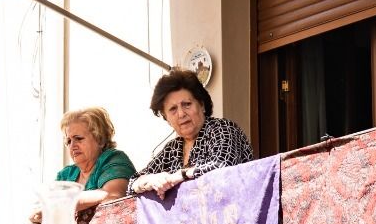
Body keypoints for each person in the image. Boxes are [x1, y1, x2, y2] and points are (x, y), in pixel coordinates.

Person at [129, 68, 253, 197]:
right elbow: (132, 183)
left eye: (187, 104)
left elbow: (222, 167)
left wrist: (180, 174)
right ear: (167, 119)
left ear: (202, 105)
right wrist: (150, 180)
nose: (181, 114)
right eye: (173, 109)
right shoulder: (172, 149)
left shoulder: (223, 129)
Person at [51, 107, 135, 214]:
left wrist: (61, 202)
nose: (72, 146)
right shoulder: (65, 175)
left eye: (79, 138)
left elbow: (113, 196)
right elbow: (39, 210)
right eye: (68, 141)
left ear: (100, 139)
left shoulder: (113, 159)